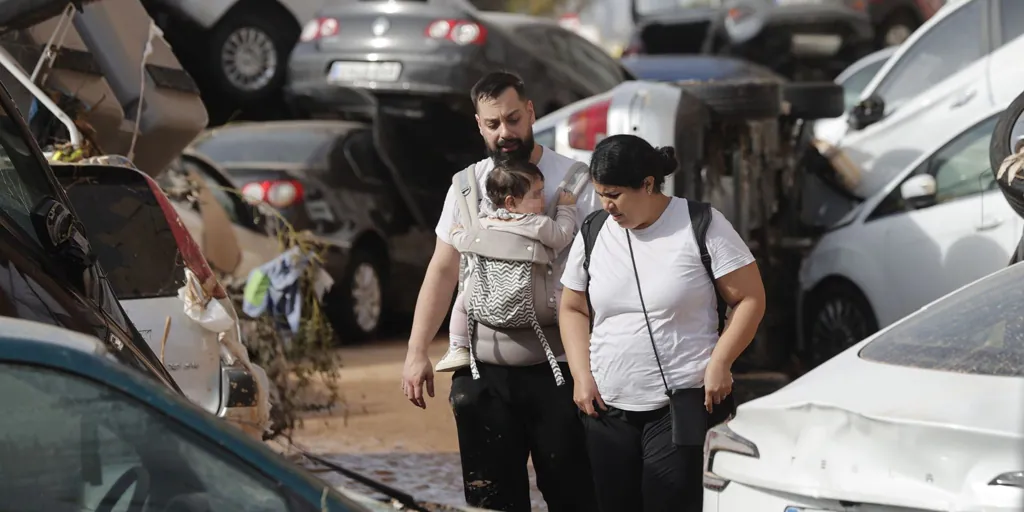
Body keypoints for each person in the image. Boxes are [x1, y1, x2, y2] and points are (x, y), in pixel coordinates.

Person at [399, 71, 601, 511]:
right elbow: (442, 268)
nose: (505, 133)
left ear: (530, 113)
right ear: (479, 125)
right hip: (483, 374)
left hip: (561, 369)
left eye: (513, 119)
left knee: (575, 497)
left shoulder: (575, 183)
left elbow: (606, 271)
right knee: (492, 501)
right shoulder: (466, 186)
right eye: (493, 124)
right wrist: (417, 351)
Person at [558, 134, 766, 512]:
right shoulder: (594, 230)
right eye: (602, 194)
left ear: (648, 185)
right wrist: (581, 375)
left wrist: (721, 361)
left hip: (679, 406)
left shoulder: (701, 223)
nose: (608, 205)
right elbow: (572, 307)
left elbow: (749, 298)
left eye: (616, 194)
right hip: (607, 408)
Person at [436, 160, 578, 374]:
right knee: (569, 306)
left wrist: (455, 232)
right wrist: (566, 208)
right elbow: (563, 236)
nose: (544, 198)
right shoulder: (538, 224)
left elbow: (463, 242)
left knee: (462, 301)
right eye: (537, 194)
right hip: (536, 300)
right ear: (511, 202)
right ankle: (578, 343)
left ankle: (458, 345)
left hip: (488, 300)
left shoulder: (484, 223)